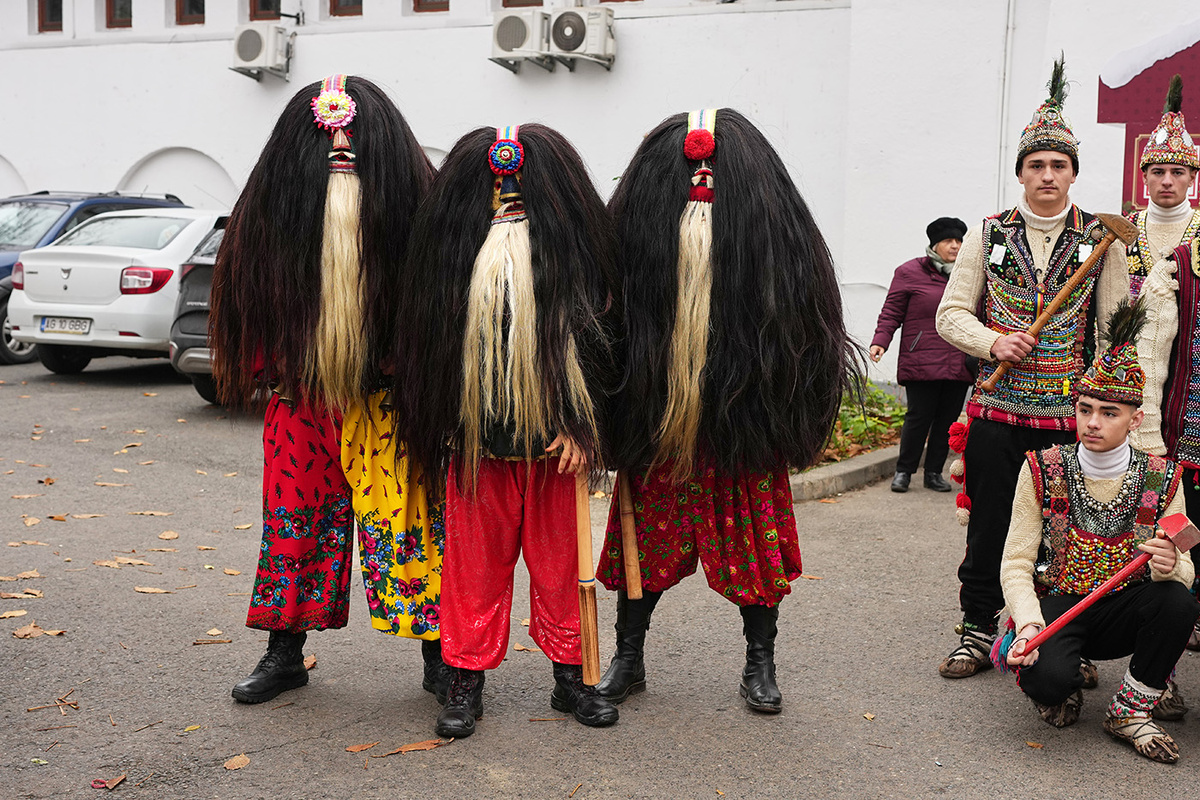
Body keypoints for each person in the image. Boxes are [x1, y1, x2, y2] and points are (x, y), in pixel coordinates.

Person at [593, 109, 857, 713]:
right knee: (643, 549)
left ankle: (759, 663)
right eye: (688, 175)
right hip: (661, 432)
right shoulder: (639, 257)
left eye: (712, 174)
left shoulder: (767, 259)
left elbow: (801, 332)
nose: (701, 181)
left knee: (756, 556)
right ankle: (627, 658)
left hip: (741, 433)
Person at [209, 75, 442, 704]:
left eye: (353, 139)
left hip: (385, 406)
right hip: (303, 405)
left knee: (412, 525)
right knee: (294, 525)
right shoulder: (274, 228)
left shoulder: (408, 219)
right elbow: (247, 299)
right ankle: (284, 653)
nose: (341, 146)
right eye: (328, 139)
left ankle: (442, 658)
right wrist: (273, 369)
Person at [392, 124, 620, 739]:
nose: (507, 199)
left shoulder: (576, 271)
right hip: (477, 454)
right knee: (473, 573)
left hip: (554, 458)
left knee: (562, 570)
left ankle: (573, 678)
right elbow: (429, 354)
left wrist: (585, 429)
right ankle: (464, 680)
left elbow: (604, 356)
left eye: (518, 188)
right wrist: (444, 424)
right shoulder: (447, 274)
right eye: (497, 189)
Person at [934, 56, 1129, 679]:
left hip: (1068, 420)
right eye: (1037, 165)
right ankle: (974, 630)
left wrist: (1101, 396)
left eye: (1059, 165)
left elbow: (1111, 330)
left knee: (1062, 532)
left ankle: (1060, 634)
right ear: (1020, 172)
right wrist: (994, 343)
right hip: (997, 414)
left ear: (1073, 174)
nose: (1048, 175)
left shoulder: (1101, 241)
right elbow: (950, 314)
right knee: (989, 524)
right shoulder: (988, 234)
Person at [1000, 300, 1198, 763]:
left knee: (1177, 602)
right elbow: (1015, 562)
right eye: (1085, 408)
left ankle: (1131, 708)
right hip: (1060, 601)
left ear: (1135, 418)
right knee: (1045, 681)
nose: (1092, 423)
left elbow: (1185, 565)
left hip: (1128, 604)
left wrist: (1171, 566)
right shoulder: (1042, 468)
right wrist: (1029, 622)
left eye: (1109, 412)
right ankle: (1067, 673)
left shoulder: (1163, 478)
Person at [869, 216, 974, 493]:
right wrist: (881, 341)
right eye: (948, 241)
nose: (955, 246)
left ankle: (934, 473)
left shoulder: (969, 274)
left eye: (959, 241)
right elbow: (892, 311)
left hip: (958, 359)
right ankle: (903, 471)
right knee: (918, 417)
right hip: (921, 358)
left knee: (948, 420)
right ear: (934, 245)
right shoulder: (909, 272)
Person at [1125, 75, 1200, 299]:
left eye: (1177, 172)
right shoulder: (1123, 231)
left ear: (1193, 178)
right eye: (1158, 172)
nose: (1167, 181)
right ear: (1145, 177)